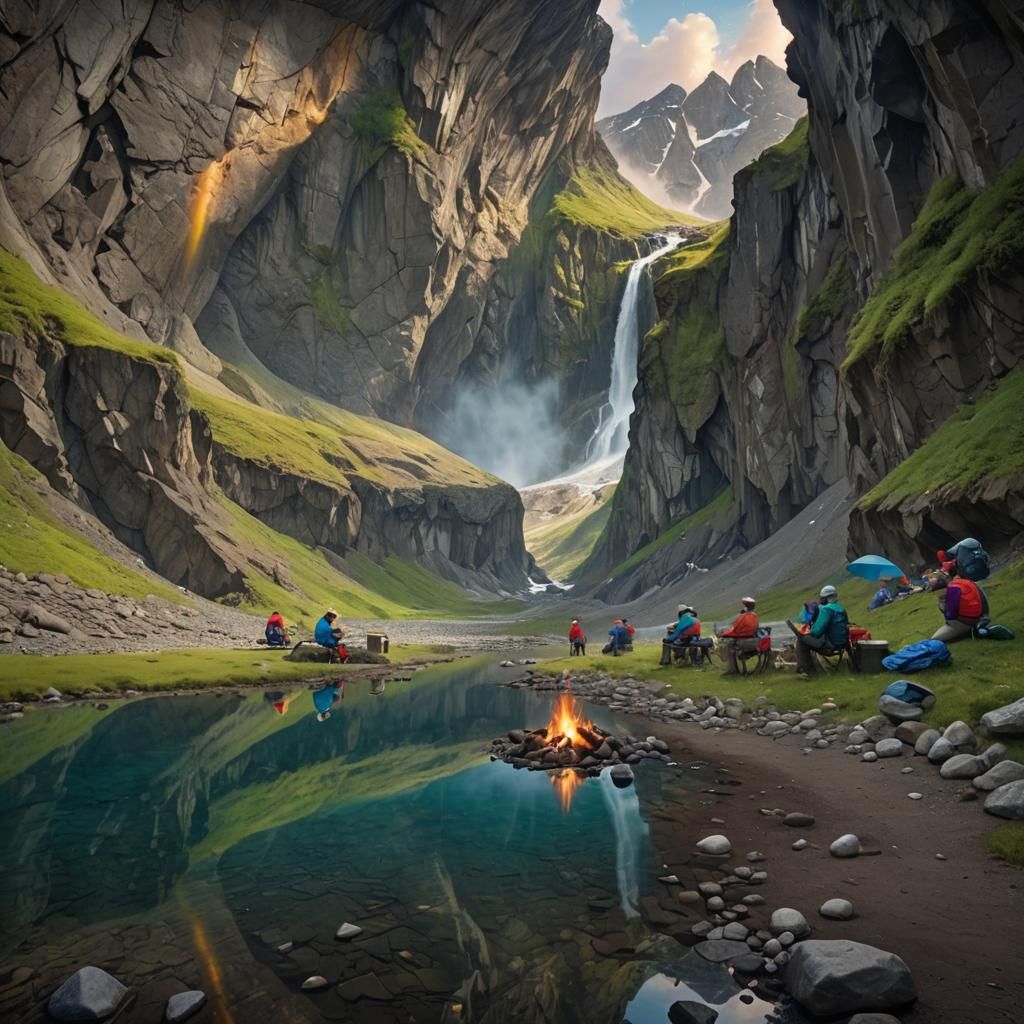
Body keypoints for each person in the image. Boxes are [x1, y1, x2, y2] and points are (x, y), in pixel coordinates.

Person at [789, 585, 850, 673]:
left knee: (801, 639)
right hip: (841, 645)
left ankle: (806, 670)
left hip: (830, 646)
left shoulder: (826, 610)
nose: (820, 600)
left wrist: (808, 630)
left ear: (826, 598)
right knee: (804, 638)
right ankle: (806, 668)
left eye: (822, 598)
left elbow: (817, 632)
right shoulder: (841, 608)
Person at [932, 574, 988, 643]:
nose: (936, 595)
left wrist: (942, 600)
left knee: (935, 639)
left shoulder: (952, 592)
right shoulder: (958, 584)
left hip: (967, 621)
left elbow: (950, 615)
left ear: (942, 590)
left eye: (937, 593)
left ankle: (970, 629)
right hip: (982, 612)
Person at [718, 597, 760, 675]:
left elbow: (735, 631)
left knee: (730, 644)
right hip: (755, 641)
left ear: (745, 607)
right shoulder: (755, 616)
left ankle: (733, 669)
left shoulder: (742, 617)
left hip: (743, 642)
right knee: (733, 642)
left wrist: (723, 634)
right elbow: (756, 628)